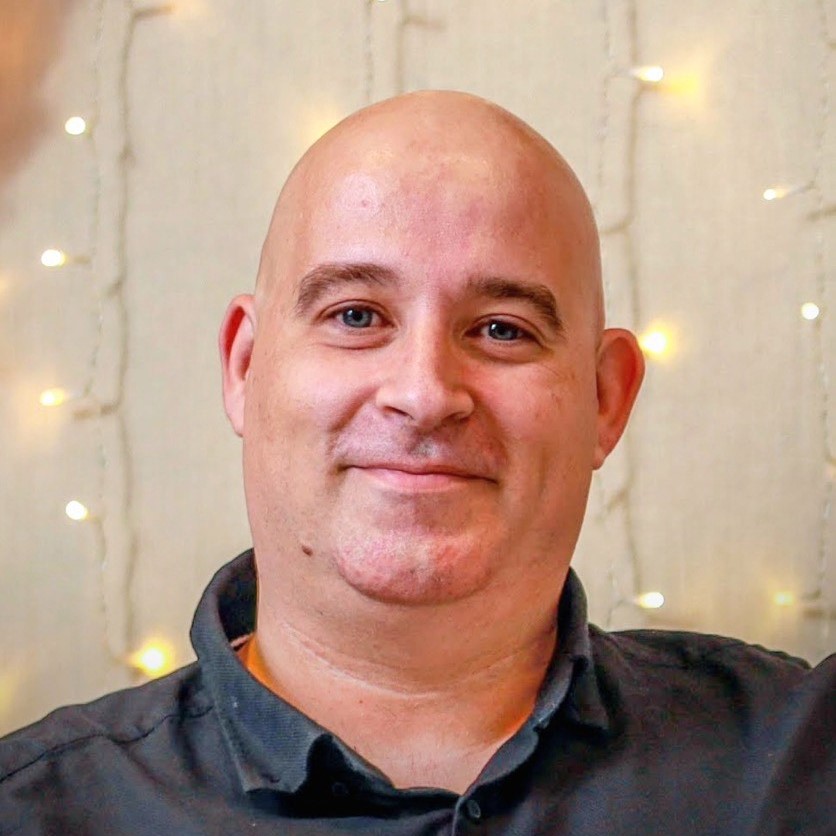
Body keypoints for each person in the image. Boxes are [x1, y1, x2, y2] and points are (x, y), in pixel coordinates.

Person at [0, 90, 832, 834]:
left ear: (604, 401)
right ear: (245, 368)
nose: (426, 392)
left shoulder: (800, 766)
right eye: (357, 314)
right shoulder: (36, 809)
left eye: (503, 328)